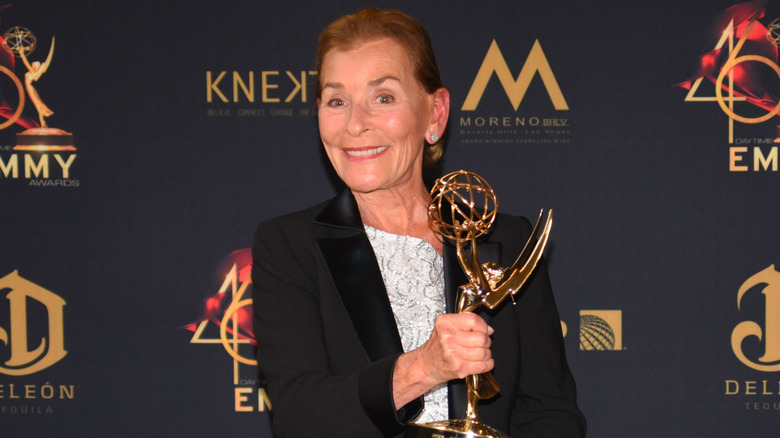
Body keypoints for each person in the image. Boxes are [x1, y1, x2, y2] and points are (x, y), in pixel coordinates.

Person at [251, 8, 586, 438]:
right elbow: (300, 416)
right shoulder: (289, 245)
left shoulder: (507, 241)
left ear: (435, 114)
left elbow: (550, 414)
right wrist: (423, 367)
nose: (355, 124)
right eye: (337, 101)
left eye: (383, 98)